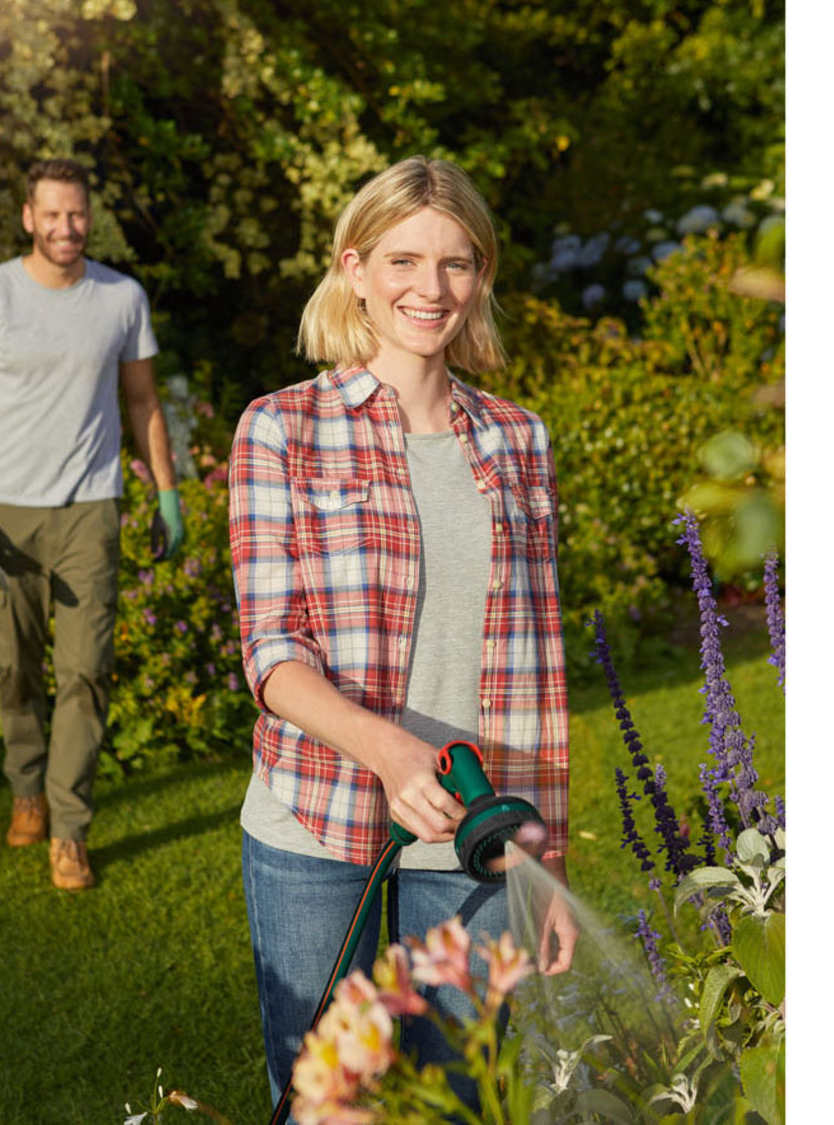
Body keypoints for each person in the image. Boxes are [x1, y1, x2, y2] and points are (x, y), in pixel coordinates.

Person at [227, 155, 578, 1112]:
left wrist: (544, 852)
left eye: (457, 262)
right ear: (354, 267)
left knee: (459, 1096)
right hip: (316, 813)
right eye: (404, 260)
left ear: (482, 274)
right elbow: (272, 650)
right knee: (332, 1098)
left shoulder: (519, 440)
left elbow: (536, 666)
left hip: (474, 827)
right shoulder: (281, 428)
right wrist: (387, 751)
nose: (432, 288)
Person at [0, 157, 184, 891]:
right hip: (6, 512)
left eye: (76, 214)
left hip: (90, 510)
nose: (66, 227)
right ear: (28, 217)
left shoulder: (121, 297)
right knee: (16, 666)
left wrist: (167, 494)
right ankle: (26, 788)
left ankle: (69, 828)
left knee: (85, 672)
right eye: (52, 214)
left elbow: (142, 402)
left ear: (89, 216)